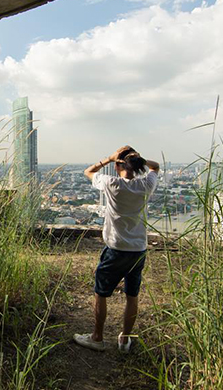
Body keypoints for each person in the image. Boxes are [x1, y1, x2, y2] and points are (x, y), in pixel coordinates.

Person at [73, 145, 159, 352]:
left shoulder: (111, 183)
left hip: (116, 248)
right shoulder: (146, 184)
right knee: (132, 295)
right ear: (137, 166)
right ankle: (125, 339)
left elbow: (88, 171)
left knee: (101, 293)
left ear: (118, 165)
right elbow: (155, 167)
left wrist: (109, 158)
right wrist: (138, 159)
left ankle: (97, 337)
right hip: (138, 249)